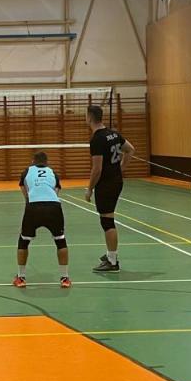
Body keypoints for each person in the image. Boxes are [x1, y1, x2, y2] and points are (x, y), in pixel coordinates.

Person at [85, 104, 134, 273]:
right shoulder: (113, 134)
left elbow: (97, 169)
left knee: (107, 221)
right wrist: (120, 169)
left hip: (106, 184)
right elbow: (130, 150)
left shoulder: (97, 139)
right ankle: (110, 255)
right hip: (115, 181)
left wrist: (89, 189)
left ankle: (112, 261)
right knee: (107, 219)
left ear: (90, 117)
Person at [14, 152, 70, 289]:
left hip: (34, 206)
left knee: (24, 241)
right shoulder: (52, 172)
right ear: (46, 162)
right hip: (54, 206)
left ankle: (21, 278)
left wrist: (29, 201)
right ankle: (65, 278)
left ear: (33, 161)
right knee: (60, 240)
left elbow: (23, 188)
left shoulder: (27, 171)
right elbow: (56, 190)